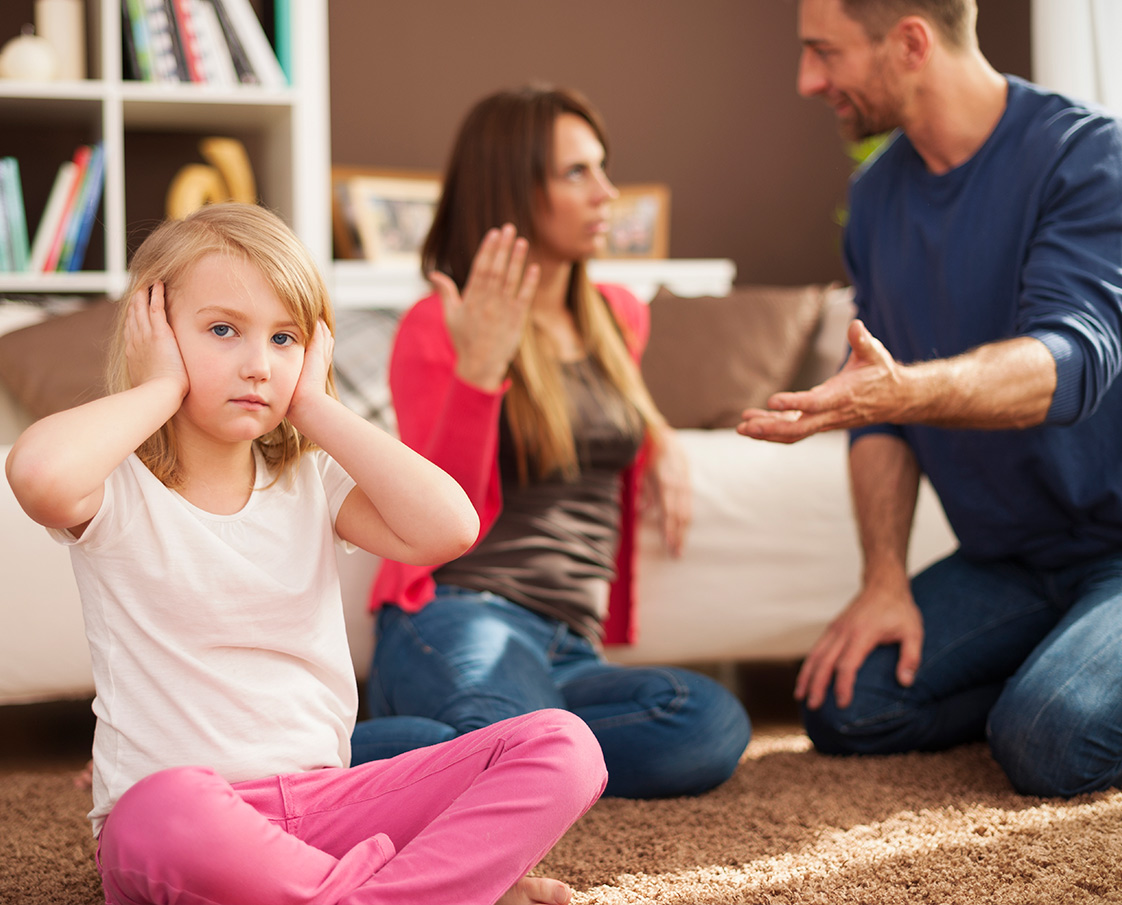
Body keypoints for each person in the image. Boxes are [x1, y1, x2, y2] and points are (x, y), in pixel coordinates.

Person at [4, 202, 608, 905]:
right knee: (160, 807)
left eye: (284, 338)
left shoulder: (310, 480)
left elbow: (451, 527)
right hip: (186, 819)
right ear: (156, 332)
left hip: (325, 812)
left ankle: (358, 894)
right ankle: (431, 891)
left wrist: (315, 406)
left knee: (565, 745)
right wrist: (160, 386)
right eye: (222, 330)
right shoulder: (115, 486)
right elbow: (39, 476)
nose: (258, 365)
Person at [739, 0, 1122, 798]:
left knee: (1049, 741)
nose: (808, 81)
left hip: (1115, 550)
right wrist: (884, 578)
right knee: (847, 705)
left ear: (911, 41)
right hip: (1009, 563)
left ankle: (1060, 688)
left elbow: (1074, 361)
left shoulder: (1086, 157)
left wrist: (900, 391)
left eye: (825, 53)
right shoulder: (877, 198)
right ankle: (1066, 667)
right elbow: (875, 410)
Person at [350, 86, 751, 799]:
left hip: (571, 645)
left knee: (708, 723)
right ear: (513, 188)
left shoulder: (616, 317)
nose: (607, 192)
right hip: (459, 611)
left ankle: (500, 754)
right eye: (577, 173)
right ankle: (268, 753)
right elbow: (438, 514)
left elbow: (609, 414)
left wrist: (660, 434)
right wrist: (480, 369)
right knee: (505, 731)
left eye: (603, 167)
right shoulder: (435, 327)